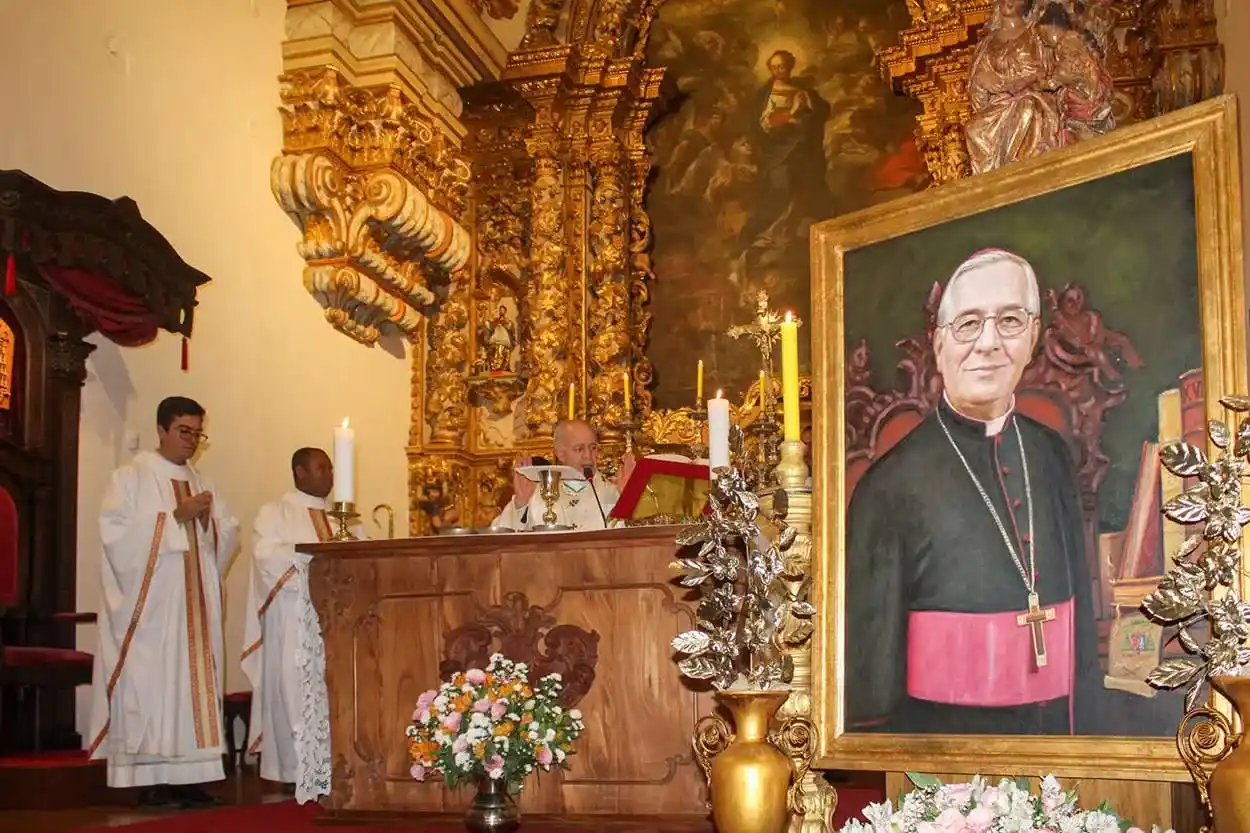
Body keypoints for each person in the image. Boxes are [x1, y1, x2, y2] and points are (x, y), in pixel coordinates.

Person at [843, 249, 1100, 735]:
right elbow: (869, 689)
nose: (988, 343)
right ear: (938, 346)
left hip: (1062, 745)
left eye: (1009, 320)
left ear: (1033, 338)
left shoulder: (1050, 454)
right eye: (967, 324)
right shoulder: (888, 486)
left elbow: (1082, 631)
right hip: (946, 770)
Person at [87, 396, 240, 806]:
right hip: (152, 611)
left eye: (197, 432)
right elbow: (115, 534)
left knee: (193, 687)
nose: (191, 440)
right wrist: (174, 516)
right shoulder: (132, 477)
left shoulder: (201, 481)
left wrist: (210, 522)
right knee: (154, 685)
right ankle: (152, 779)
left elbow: (227, 535)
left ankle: (191, 777)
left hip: (195, 608)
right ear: (161, 430)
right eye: (183, 430)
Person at [241, 447, 361, 792]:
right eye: (322, 468)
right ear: (299, 472)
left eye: (331, 468)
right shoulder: (274, 512)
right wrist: (317, 564)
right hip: (294, 619)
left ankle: (336, 769)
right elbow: (267, 556)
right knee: (295, 690)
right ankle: (293, 772)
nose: (330, 475)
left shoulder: (347, 521)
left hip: (337, 623)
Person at [492, 419, 631, 531]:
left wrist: (628, 499)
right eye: (579, 449)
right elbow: (500, 541)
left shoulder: (613, 492)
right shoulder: (539, 494)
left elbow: (630, 544)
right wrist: (520, 504)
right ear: (561, 454)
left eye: (593, 448)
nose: (589, 456)